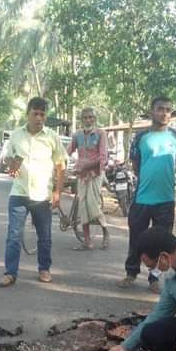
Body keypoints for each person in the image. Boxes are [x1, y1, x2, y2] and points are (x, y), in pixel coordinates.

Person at [117, 96, 176, 293]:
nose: (164, 113)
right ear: (152, 111)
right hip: (142, 197)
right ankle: (131, 273)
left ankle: (154, 278)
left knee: (162, 241)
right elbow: (137, 165)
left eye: (168, 110)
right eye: (160, 109)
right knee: (136, 237)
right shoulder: (140, 137)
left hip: (166, 199)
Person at [0, 97, 67, 287]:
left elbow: (61, 166)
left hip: (42, 195)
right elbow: (6, 160)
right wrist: (10, 164)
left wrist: (58, 193)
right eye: (35, 113)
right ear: (27, 114)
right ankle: (10, 273)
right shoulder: (16, 136)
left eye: (42, 114)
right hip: (19, 193)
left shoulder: (52, 137)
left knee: (45, 237)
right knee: (13, 235)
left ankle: (44, 269)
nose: (38, 118)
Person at [67, 107, 110, 250]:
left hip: (95, 175)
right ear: (81, 120)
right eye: (85, 117)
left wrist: (87, 166)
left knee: (93, 206)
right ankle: (87, 241)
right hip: (81, 175)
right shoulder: (77, 135)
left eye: (91, 117)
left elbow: (103, 157)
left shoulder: (101, 134)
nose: (88, 120)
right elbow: (68, 151)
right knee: (83, 207)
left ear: (94, 119)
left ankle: (105, 233)